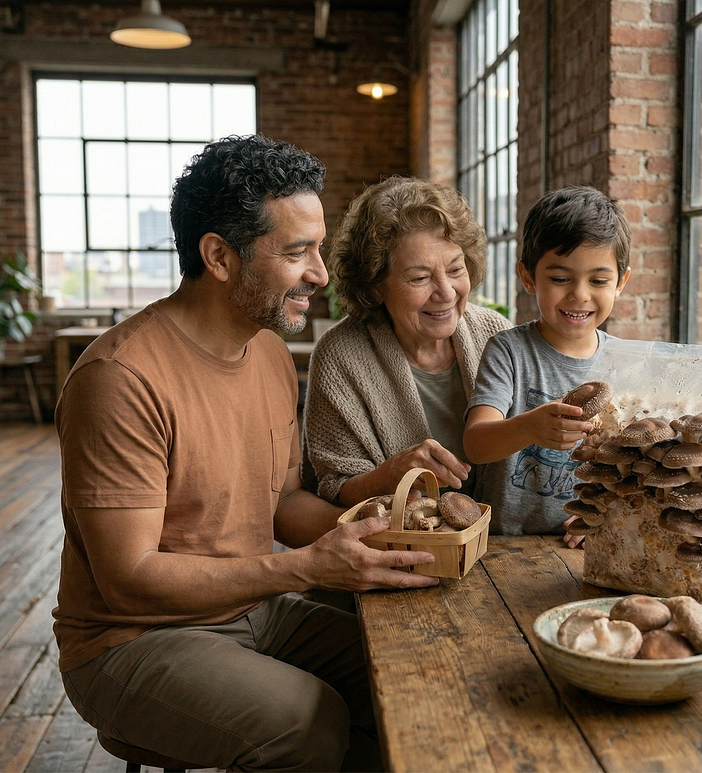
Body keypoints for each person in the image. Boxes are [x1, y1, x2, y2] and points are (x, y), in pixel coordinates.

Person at [54, 135, 441, 773]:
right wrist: (309, 570)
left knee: (415, 673)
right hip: (130, 642)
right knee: (305, 726)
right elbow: (129, 577)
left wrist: (384, 527)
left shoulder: (266, 350)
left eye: (318, 248)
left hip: (250, 608)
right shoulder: (119, 379)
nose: (320, 273)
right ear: (219, 256)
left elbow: (283, 501)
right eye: (297, 252)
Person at [302, 175, 511, 507]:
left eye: (456, 270)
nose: (445, 292)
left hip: (509, 545)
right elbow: (334, 487)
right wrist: (390, 473)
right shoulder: (341, 355)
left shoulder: (495, 334)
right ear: (374, 285)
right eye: (420, 277)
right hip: (402, 549)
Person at [462, 185, 631, 546]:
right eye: (559, 279)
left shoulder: (626, 364)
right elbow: (475, 444)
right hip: (502, 546)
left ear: (621, 283)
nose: (580, 295)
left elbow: (628, 469)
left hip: (582, 545)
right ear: (528, 278)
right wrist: (530, 428)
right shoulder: (508, 350)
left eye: (598, 280)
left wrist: (599, 516)